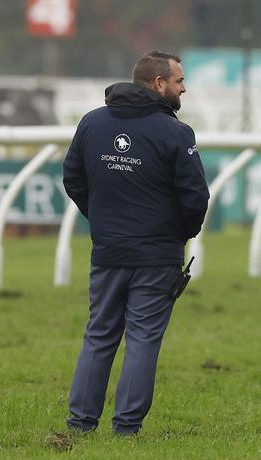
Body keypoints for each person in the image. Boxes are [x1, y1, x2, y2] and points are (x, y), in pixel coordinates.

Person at [63, 51, 209, 435]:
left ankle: (80, 424)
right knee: (143, 340)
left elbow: (73, 179)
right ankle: (126, 427)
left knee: (100, 334)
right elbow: (196, 197)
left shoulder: (92, 122)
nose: (184, 88)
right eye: (179, 81)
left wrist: (103, 220)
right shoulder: (177, 133)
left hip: (108, 250)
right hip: (157, 255)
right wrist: (180, 233)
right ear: (159, 84)